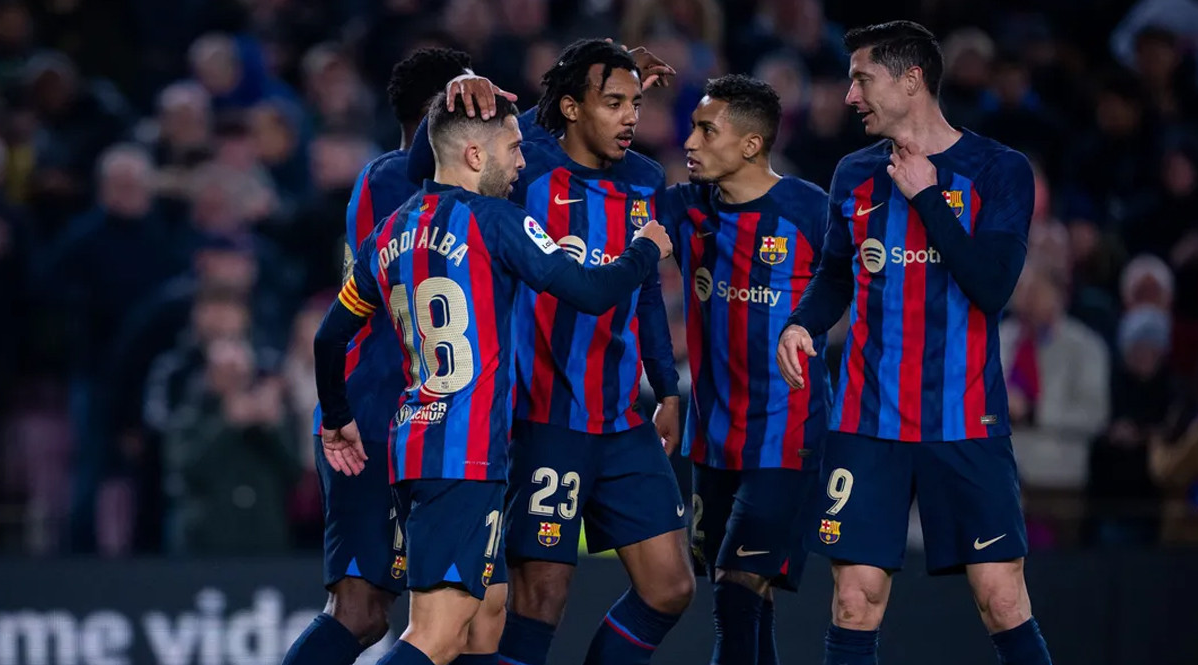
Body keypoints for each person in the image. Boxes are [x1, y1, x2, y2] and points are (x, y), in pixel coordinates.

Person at [315, 93, 673, 665]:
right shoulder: (496, 221)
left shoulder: (388, 232)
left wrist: (337, 417)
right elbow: (589, 292)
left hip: (416, 447)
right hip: (464, 455)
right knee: (435, 633)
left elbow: (329, 338)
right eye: (513, 148)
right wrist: (643, 251)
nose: (523, 162)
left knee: (487, 622)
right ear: (476, 155)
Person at [405, 39, 693, 665]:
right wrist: (488, 93)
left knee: (671, 586)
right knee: (542, 597)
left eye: (635, 104)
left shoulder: (644, 179)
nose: (630, 117)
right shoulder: (524, 165)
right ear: (570, 107)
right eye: (613, 103)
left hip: (620, 417)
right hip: (543, 417)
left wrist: (665, 386)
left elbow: (644, 290)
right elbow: (444, 159)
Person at [775, 21, 1053, 665]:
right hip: (867, 421)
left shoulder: (1000, 170)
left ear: (911, 81)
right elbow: (835, 277)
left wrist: (929, 198)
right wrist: (801, 323)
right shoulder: (853, 174)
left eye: (861, 78)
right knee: (854, 599)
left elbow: (992, 288)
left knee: (1002, 598)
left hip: (966, 421)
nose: (849, 95)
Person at [282, 47, 474, 665]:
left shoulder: (438, 185)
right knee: (361, 612)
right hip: (370, 416)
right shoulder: (394, 178)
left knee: (458, 617)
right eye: (473, 107)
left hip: (422, 423)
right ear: (439, 113)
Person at [658, 74, 831, 665]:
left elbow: (855, 294)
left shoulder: (811, 210)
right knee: (745, 598)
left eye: (708, 130)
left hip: (787, 436)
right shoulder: (686, 209)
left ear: (752, 145)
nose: (691, 141)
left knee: (736, 591)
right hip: (714, 440)